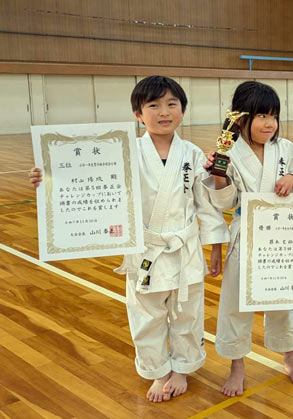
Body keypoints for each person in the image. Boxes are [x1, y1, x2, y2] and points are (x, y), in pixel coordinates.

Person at [30, 75, 229, 403]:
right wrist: (49, 177)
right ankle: (157, 370)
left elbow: (207, 204)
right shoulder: (125, 151)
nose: (164, 112)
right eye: (154, 105)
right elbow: (89, 179)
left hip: (185, 250)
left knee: (188, 314)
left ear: (182, 110)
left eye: (172, 104)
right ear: (138, 114)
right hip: (145, 250)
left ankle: (182, 367)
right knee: (146, 316)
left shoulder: (192, 154)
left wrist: (216, 246)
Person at [202, 81, 293, 397]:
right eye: (262, 116)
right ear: (241, 118)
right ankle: (237, 365)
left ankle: (289, 358)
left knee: (284, 299)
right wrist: (218, 176)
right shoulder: (228, 152)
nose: (270, 124)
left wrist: (292, 178)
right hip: (247, 236)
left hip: (283, 237)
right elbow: (226, 202)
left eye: (274, 116)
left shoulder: (285, 149)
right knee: (237, 303)